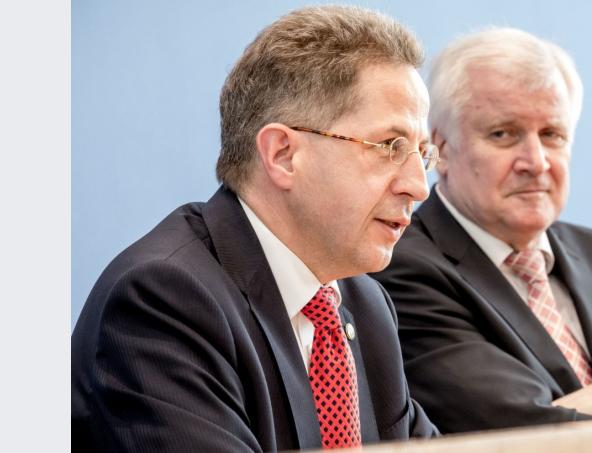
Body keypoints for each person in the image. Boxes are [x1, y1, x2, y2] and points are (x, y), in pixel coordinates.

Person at [72, 5, 440, 451]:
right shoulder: (163, 299)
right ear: (283, 154)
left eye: (422, 153)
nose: (418, 187)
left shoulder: (364, 304)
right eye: (388, 146)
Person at [371, 27, 592, 433]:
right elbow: (529, 429)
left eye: (552, 135)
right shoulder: (404, 268)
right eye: (503, 134)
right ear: (440, 150)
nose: (536, 162)